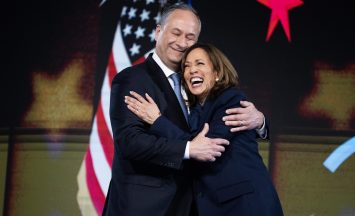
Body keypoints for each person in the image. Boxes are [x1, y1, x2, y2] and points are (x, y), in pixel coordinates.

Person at [103, 3, 268, 216]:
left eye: (190, 37)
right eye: (176, 33)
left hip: (194, 206)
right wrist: (189, 149)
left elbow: (214, 131)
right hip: (144, 207)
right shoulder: (132, 79)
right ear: (158, 31)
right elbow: (129, 141)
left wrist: (261, 121)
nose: (182, 43)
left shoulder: (198, 84)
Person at [126, 43, 283, 216]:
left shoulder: (231, 99)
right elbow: (191, 145)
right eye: (187, 66)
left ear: (217, 74)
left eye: (200, 63)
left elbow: (208, 148)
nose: (192, 70)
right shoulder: (194, 111)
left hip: (245, 205)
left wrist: (157, 120)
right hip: (215, 206)